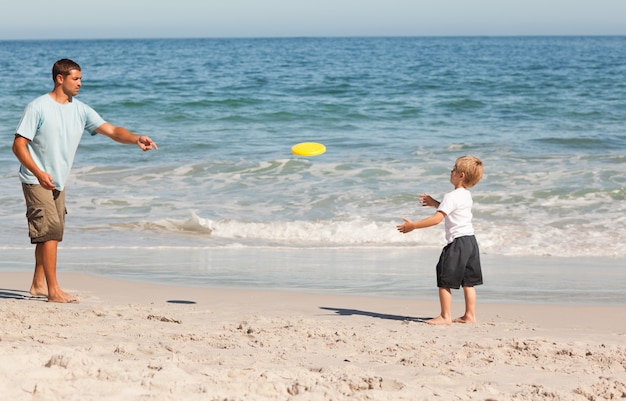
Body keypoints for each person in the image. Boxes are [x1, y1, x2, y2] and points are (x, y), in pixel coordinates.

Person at [12, 58, 158, 303]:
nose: (81, 83)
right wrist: (38, 173)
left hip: (58, 180)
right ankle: (54, 291)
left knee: (50, 232)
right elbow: (18, 145)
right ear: (60, 79)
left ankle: (38, 284)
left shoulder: (80, 109)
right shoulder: (37, 107)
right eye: (76, 78)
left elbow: (111, 130)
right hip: (36, 179)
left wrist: (135, 139)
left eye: (80, 78)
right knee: (50, 233)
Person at [397, 155, 484, 325]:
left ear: (461, 175)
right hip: (471, 242)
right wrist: (434, 203)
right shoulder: (466, 195)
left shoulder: (451, 196)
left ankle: (445, 316)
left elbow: (437, 219)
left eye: (454, 169)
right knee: (469, 282)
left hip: (457, 243)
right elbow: (451, 210)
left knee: (444, 278)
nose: (451, 171)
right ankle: (470, 315)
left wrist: (413, 225)